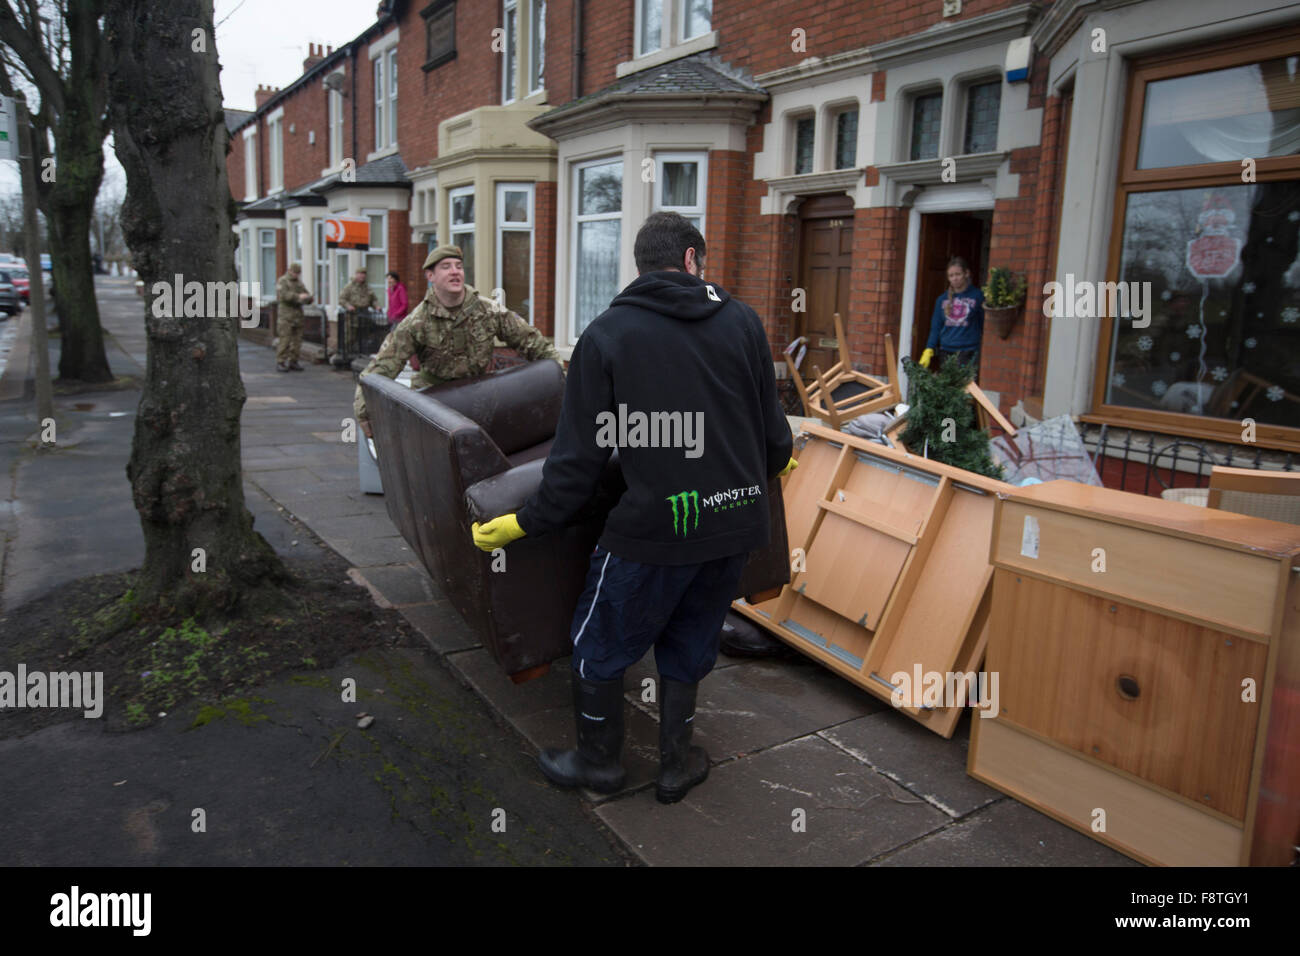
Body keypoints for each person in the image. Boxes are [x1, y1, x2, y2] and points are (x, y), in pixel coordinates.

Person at [471, 212, 797, 804]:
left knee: (598, 645)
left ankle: (600, 766)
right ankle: (674, 766)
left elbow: (576, 465)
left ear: (642, 266)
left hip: (656, 532)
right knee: (692, 638)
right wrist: (771, 466)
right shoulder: (744, 322)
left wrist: (525, 521)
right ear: (694, 260)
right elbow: (774, 435)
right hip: (735, 523)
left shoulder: (606, 336)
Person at [352, 245, 559, 438]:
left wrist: (561, 375)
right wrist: (364, 411)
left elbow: (533, 342)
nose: (455, 271)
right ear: (430, 275)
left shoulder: (488, 310)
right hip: (433, 402)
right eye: (446, 267)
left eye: (459, 266)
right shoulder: (417, 322)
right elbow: (382, 367)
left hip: (479, 398)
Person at [919, 256, 984, 378]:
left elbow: (983, 324)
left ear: (966, 273)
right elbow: (936, 327)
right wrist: (929, 349)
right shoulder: (941, 300)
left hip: (968, 352)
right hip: (946, 352)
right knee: (948, 390)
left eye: (958, 274)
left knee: (965, 391)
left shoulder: (977, 296)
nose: (955, 278)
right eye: (951, 275)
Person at [275, 263, 313, 371]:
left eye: (298, 273)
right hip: (286, 316)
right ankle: (281, 361)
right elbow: (284, 295)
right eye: (295, 273)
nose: (296, 275)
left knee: (297, 341)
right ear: (290, 271)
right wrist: (298, 296)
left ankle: (294, 361)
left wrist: (308, 298)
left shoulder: (299, 283)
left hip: (298, 316)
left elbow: (305, 294)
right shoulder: (282, 281)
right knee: (285, 340)